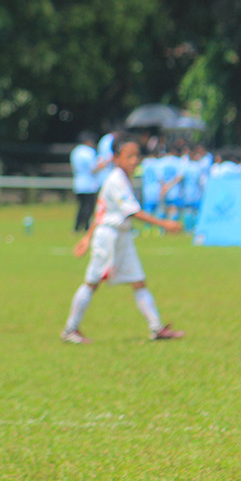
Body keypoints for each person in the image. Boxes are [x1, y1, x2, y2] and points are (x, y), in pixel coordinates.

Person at [61, 135, 186, 344]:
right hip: (109, 237)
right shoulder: (116, 179)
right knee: (92, 282)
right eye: (129, 156)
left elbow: (101, 210)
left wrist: (87, 236)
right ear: (116, 158)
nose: (134, 161)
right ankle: (69, 329)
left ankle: (156, 328)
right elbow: (132, 212)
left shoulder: (121, 179)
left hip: (121, 236)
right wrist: (165, 224)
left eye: (137, 156)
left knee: (138, 281)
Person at [70, 131, 100, 232]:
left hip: (78, 182)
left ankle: (77, 227)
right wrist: (103, 165)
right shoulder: (89, 152)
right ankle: (87, 226)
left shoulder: (75, 151)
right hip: (89, 183)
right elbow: (93, 168)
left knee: (81, 207)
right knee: (89, 207)